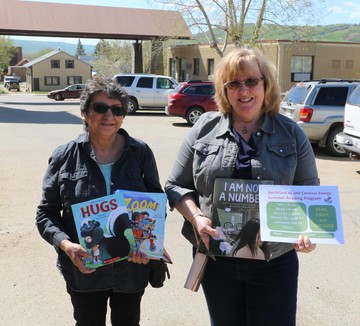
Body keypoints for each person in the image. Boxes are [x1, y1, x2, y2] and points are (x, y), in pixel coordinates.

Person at [165, 47, 318, 326]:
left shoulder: (291, 132)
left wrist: (306, 231)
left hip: (274, 263)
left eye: (251, 81)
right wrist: (196, 217)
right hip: (218, 261)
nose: (243, 89)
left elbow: (309, 193)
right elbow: (175, 185)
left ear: (266, 85)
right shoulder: (204, 128)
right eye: (234, 83)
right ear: (225, 90)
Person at [36, 76, 163, 326]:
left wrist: (149, 242)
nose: (109, 116)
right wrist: (65, 245)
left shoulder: (140, 153)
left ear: (123, 116)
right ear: (84, 113)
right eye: (100, 108)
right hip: (85, 270)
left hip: (131, 269)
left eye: (117, 110)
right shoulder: (63, 156)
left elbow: (156, 204)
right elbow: (45, 213)